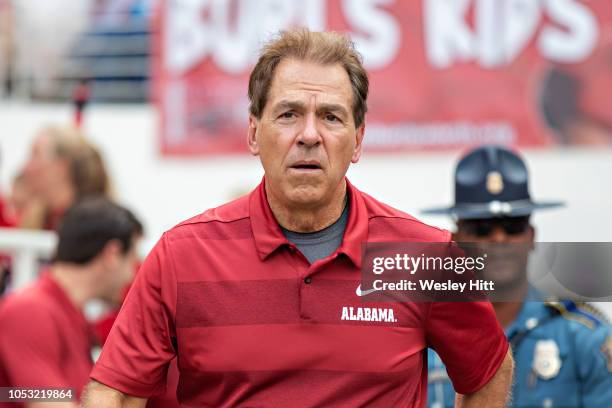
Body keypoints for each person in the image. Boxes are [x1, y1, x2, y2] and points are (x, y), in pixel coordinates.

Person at [83, 28, 513, 407]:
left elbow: (489, 370)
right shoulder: (181, 255)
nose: (309, 135)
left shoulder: (426, 257)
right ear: (254, 132)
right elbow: (114, 392)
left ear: (358, 140)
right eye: (289, 114)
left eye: (330, 117)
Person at [423, 145, 612, 408]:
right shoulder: (420, 342)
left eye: (513, 227)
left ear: (531, 237)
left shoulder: (584, 338)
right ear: (456, 242)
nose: (499, 240)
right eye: (482, 228)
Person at [0, 198, 142, 407]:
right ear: (112, 254)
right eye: (133, 261)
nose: (132, 275)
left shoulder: (68, 316)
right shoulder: (31, 311)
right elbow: (46, 400)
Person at [20, 125, 110, 230]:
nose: (26, 168)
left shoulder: (98, 226)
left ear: (61, 167)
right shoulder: (34, 219)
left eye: (35, 155)